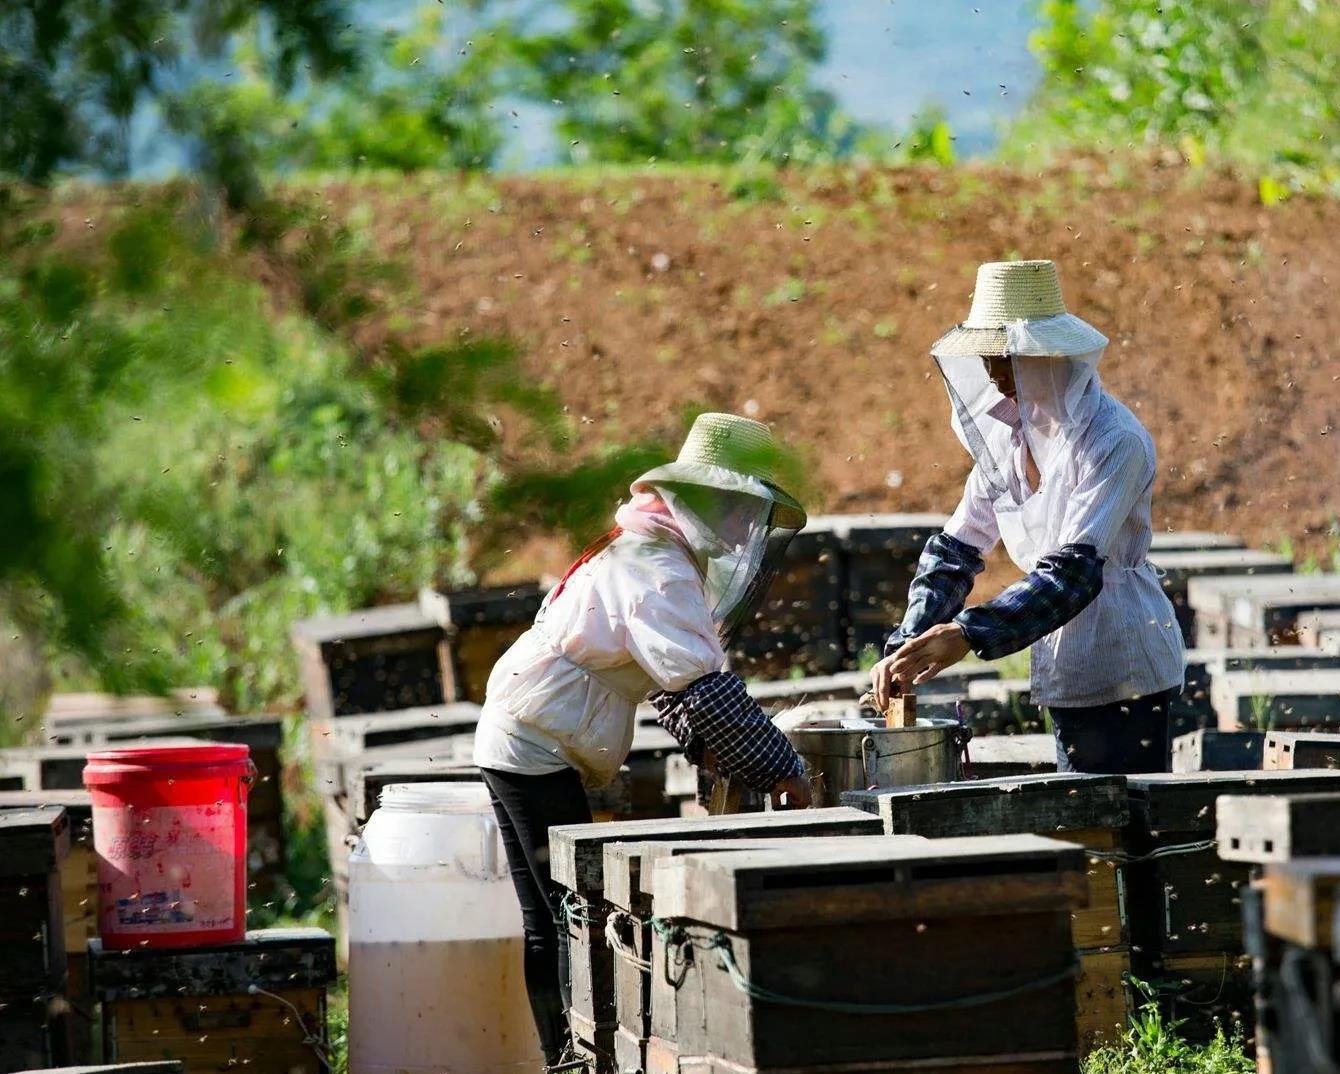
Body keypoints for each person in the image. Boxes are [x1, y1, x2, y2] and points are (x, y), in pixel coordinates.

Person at [474, 413, 813, 1067]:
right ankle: (568, 1058)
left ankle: (563, 1059)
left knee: (552, 917)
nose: (747, 528)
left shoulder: (647, 552)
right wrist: (781, 768)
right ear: (710, 500)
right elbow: (701, 687)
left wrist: (705, 745)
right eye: (742, 508)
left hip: (526, 733)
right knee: (562, 920)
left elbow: (667, 682)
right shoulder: (655, 568)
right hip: (534, 745)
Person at [871, 259, 1185, 774]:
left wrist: (968, 633)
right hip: (1064, 662)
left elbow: (1074, 572)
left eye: (1005, 357)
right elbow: (957, 550)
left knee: (1122, 837)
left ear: (1047, 356)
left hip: (1123, 662)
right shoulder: (1007, 436)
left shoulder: (1113, 442)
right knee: (1084, 832)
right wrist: (910, 639)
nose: (994, 374)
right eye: (987, 358)